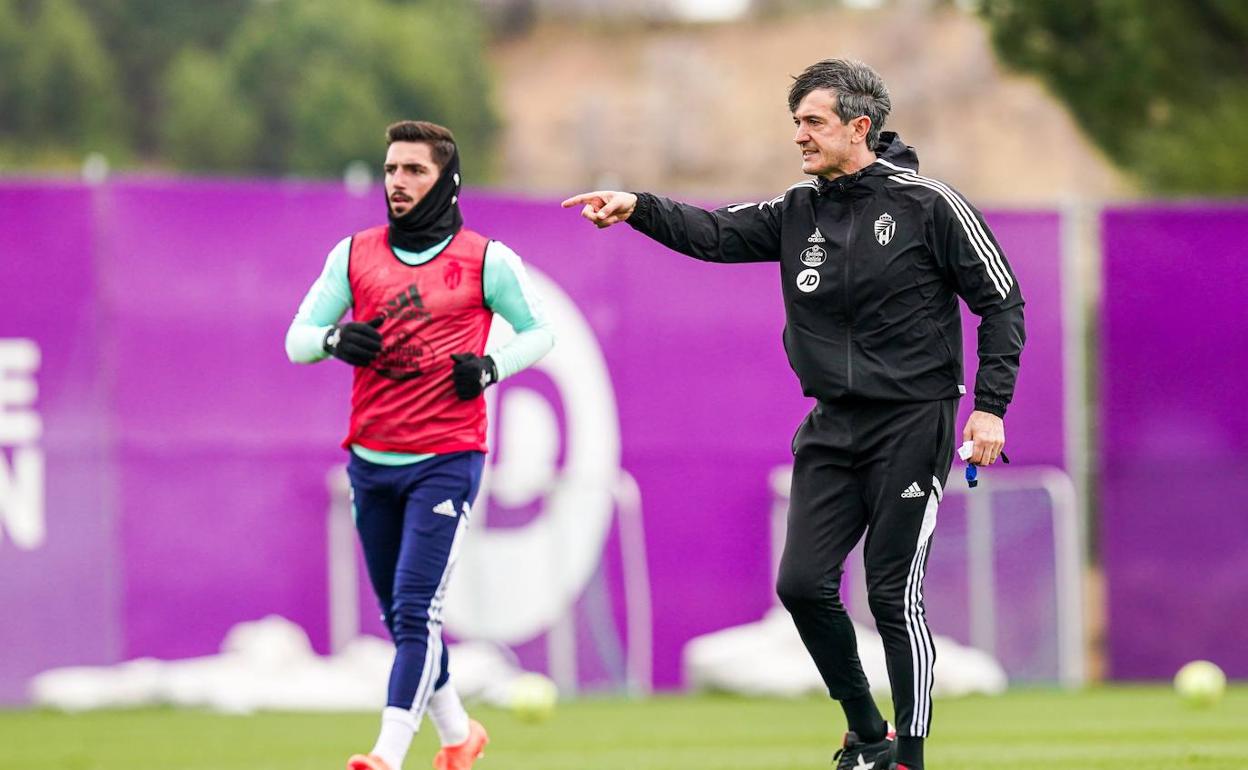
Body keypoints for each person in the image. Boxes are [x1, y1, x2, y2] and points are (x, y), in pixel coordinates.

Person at [562, 59, 1024, 770]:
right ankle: (868, 733)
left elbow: (1001, 300)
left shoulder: (929, 204)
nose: (800, 136)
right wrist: (639, 206)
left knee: (891, 589)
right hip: (833, 428)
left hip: (913, 422)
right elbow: (714, 234)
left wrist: (988, 410)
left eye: (813, 122)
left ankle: (911, 756)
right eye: (796, 123)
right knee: (801, 586)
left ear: (858, 127)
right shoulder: (797, 211)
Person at [287, 120, 555, 770]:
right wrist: (334, 340)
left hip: (447, 460)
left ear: (447, 181)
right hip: (370, 462)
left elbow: (538, 333)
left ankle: (386, 755)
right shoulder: (353, 254)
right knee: (407, 623)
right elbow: (297, 339)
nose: (398, 183)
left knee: (412, 612)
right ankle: (460, 737)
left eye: (414, 171)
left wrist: (490, 368)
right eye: (391, 170)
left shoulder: (487, 260)